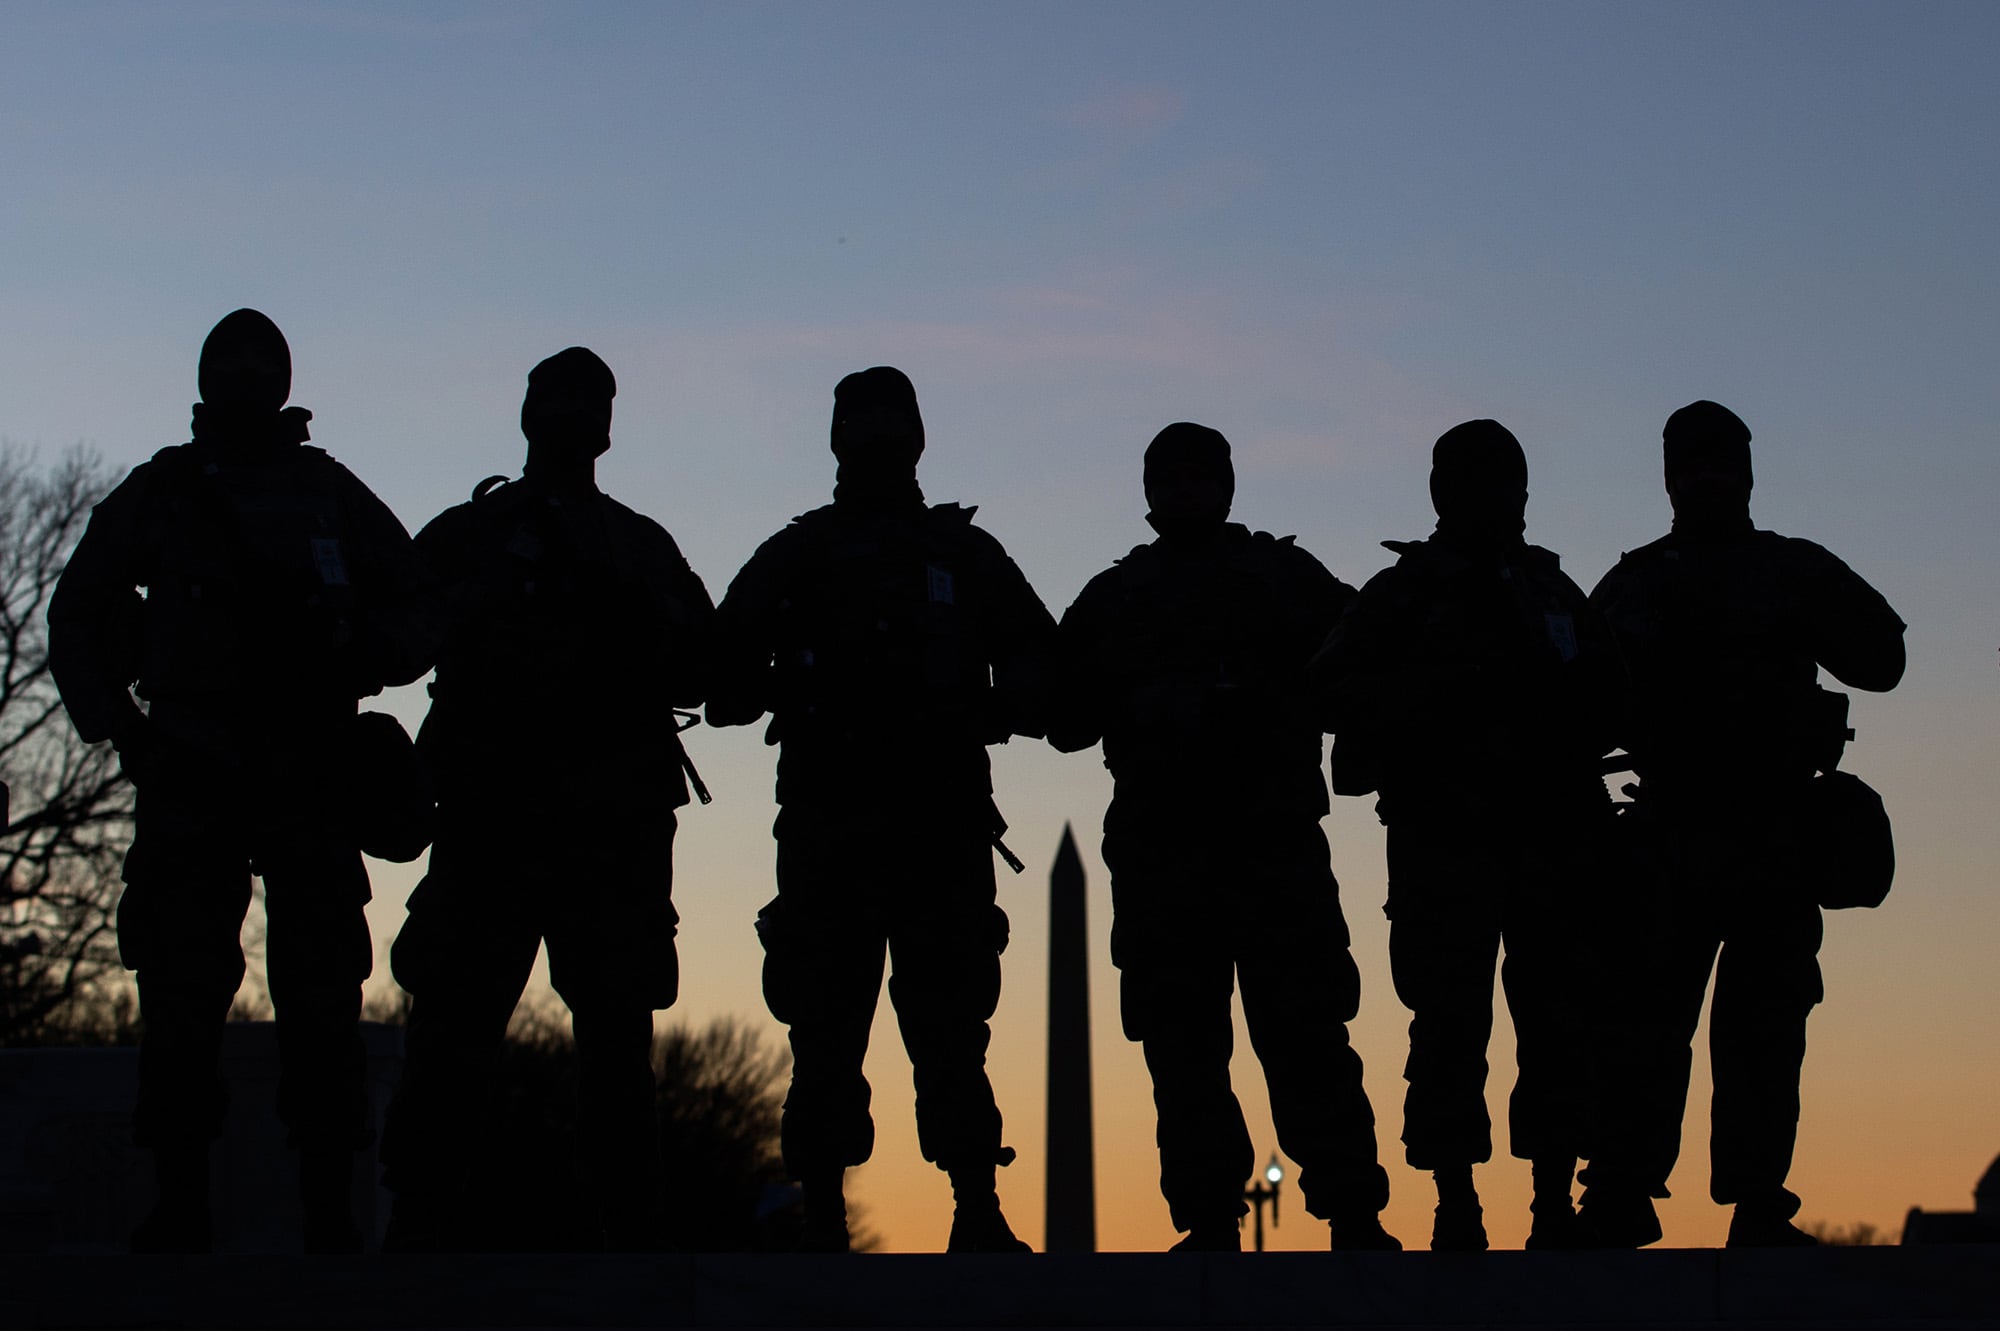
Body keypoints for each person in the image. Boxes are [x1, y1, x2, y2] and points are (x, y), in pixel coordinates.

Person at [48, 308, 431, 1251]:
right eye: (239, 363)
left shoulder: (324, 489)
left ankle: (329, 1213)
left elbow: (418, 601)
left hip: (306, 768)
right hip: (193, 771)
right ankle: (181, 1202)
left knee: (322, 996)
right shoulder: (168, 490)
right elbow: (79, 607)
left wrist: (360, 653)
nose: (254, 377)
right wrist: (124, 730)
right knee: (180, 993)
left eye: (268, 364)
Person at [708, 367, 1054, 1253]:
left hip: (934, 829)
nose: (875, 444)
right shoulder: (802, 555)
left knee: (948, 1033)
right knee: (826, 1035)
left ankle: (974, 1204)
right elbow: (721, 672)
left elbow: (1044, 666)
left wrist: (990, 707)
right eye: (864, 429)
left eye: (886, 428)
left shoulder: (960, 555)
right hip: (834, 833)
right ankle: (826, 1210)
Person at [379, 348, 714, 1250]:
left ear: (607, 424)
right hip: (493, 821)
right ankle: (421, 1219)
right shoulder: (472, 534)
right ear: (531, 414)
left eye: (590, 400)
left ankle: (620, 1231)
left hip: (607, 833)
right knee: (454, 1030)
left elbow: (711, 665)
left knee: (614, 1044)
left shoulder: (638, 545)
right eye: (560, 398)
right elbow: (391, 642)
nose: (575, 415)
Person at [1049, 423, 1398, 1252]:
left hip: (1271, 844)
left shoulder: (1284, 578)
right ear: (1149, 492)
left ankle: (1351, 1206)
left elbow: (1368, 659)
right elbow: (1060, 709)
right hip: (1164, 851)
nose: (1185, 492)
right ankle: (1209, 1213)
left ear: (1227, 485)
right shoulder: (1118, 596)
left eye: (1199, 477)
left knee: (1307, 1031)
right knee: (1181, 1043)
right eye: (1169, 479)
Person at [1580, 401, 1905, 1248]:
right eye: (1691, 464)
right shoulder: (1639, 582)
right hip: (1670, 837)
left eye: (1721, 462)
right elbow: (1575, 708)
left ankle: (1758, 1202)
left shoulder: (1789, 569)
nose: (1707, 478)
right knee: (1644, 1026)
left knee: (1764, 1032)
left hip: (1772, 837)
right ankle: (1619, 1192)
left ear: (1747, 472)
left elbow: (1883, 660)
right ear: (1668, 476)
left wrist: (1797, 612)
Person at [1311, 420, 1623, 1251]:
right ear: (1445, 492)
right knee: (1449, 1025)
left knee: (1555, 1024)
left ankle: (1552, 1201)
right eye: (1479, 481)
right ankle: (1457, 1201)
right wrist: (1435, 700)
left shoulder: (1550, 589)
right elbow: (1330, 687)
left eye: (1506, 482)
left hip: (1550, 839)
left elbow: (1615, 688)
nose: (1497, 499)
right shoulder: (1406, 592)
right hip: (1445, 840)